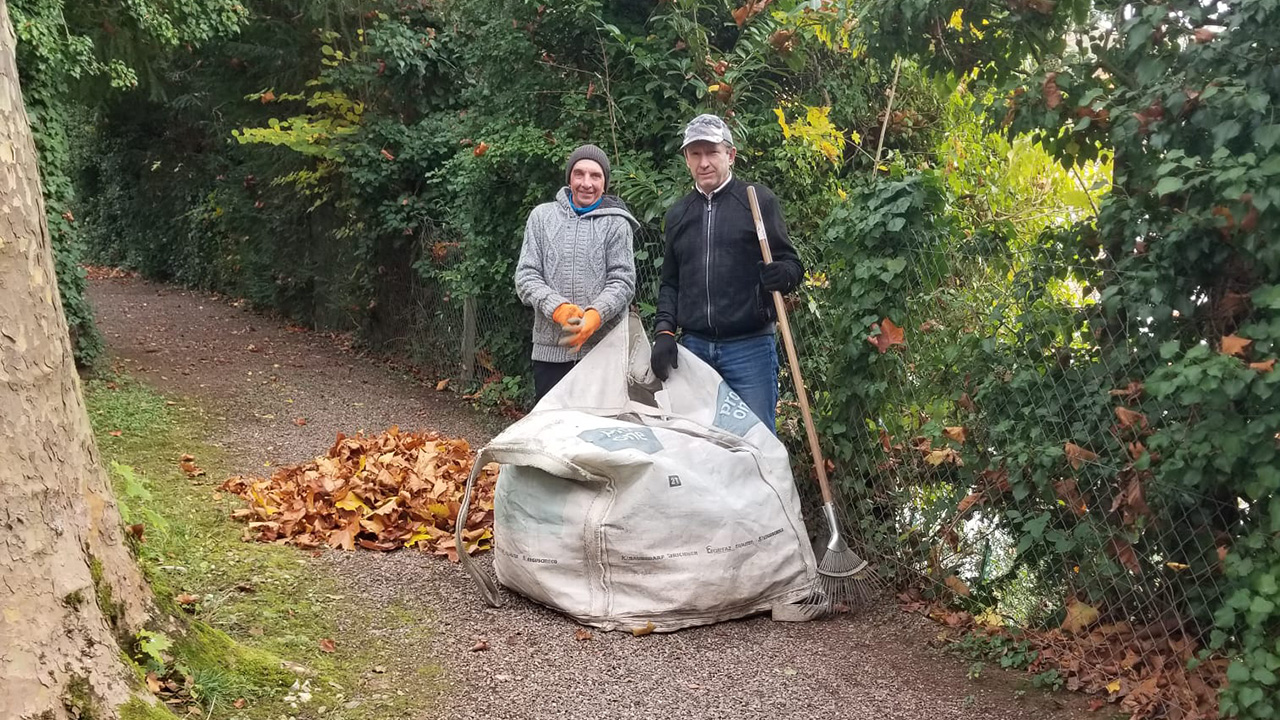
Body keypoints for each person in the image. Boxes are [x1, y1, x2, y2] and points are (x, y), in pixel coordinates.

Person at [650, 114, 803, 432]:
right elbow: (670, 282)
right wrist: (664, 331)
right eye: (696, 154)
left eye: (712, 152)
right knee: (700, 443)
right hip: (694, 349)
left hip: (749, 349)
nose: (704, 162)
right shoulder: (679, 214)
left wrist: (783, 276)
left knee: (755, 442)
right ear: (686, 160)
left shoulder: (757, 201)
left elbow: (792, 264)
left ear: (730, 155)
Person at [515, 143, 639, 401]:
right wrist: (558, 309)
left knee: (601, 435)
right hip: (551, 352)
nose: (586, 183)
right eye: (579, 174)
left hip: (604, 352)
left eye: (596, 176)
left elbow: (623, 281)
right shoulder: (541, 217)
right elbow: (526, 277)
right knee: (553, 433)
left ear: (605, 184)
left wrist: (595, 316)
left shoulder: (617, 222)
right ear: (569, 178)